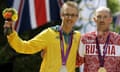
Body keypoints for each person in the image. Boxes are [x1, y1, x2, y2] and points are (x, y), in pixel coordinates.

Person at [4, 1, 81, 72]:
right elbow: (25, 47)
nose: (70, 18)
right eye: (67, 14)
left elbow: (82, 58)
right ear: (61, 15)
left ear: (77, 17)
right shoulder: (49, 34)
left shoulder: (78, 37)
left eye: (73, 15)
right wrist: (11, 34)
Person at [77, 6, 120, 72]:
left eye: (105, 17)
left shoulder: (118, 40)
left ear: (110, 19)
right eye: (99, 16)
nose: (102, 20)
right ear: (94, 19)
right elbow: (77, 62)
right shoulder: (85, 39)